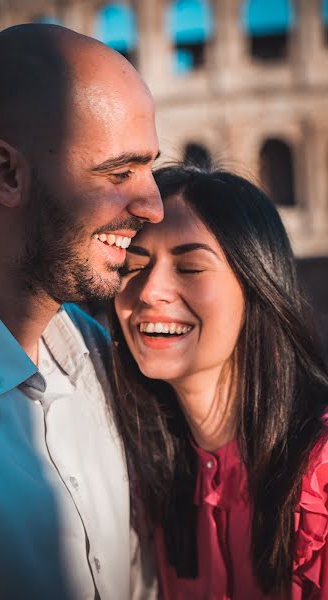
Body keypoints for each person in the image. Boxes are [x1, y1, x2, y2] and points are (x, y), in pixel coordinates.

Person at [0, 24, 163, 600]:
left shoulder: (102, 353)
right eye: (118, 173)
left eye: (150, 168)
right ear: (6, 174)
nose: (154, 204)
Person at [112, 163, 328, 599]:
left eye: (190, 268)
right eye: (133, 267)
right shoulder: (149, 477)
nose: (150, 291)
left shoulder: (319, 473)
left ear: (259, 286)